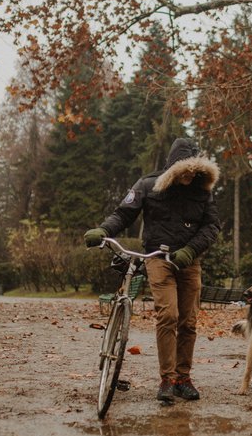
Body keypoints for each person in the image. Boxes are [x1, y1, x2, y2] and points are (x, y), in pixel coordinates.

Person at [84, 138, 221, 402]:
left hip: (188, 261)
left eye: (194, 170)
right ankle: (167, 379)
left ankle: (183, 378)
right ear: (174, 166)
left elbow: (212, 227)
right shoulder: (148, 185)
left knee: (188, 322)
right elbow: (123, 214)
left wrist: (191, 251)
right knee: (168, 315)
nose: (190, 175)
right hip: (157, 257)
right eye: (185, 169)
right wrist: (104, 230)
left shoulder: (202, 192)